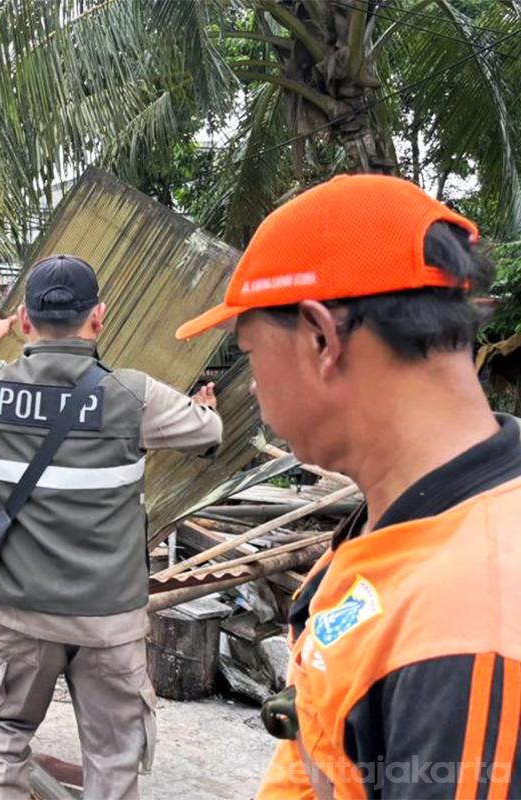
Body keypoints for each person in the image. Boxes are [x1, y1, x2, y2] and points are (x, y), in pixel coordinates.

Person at [175, 174, 521, 798]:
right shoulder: (402, 525)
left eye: (249, 352)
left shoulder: (471, 627)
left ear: (319, 338)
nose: (252, 386)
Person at [0, 254, 223, 800]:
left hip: (19, 613)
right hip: (108, 622)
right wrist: (202, 407)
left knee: (1, 742)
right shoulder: (133, 396)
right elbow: (207, 431)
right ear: (99, 318)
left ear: (25, 320)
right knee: (114, 759)